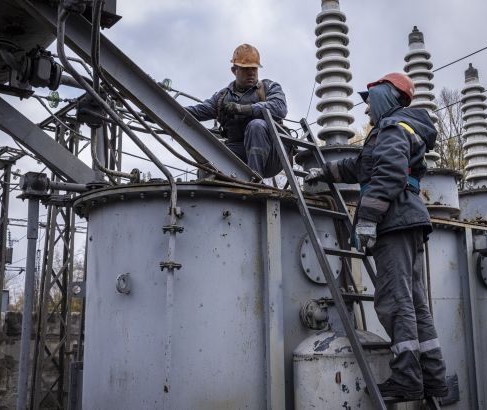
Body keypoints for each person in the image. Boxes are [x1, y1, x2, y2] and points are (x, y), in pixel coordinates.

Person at [305, 73, 448, 401]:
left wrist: (367, 220)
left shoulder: (392, 129)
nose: (366, 111)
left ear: (384, 96)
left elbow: (388, 175)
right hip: (408, 219)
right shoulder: (399, 130)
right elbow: (362, 166)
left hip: (394, 221)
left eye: (369, 102)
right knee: (414, 302)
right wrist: (325, 172)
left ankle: (407, 379)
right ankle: (433, 378)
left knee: (394, 301)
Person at [185, 44, 288, 178]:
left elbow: (280, 107)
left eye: (254, 69)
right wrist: (154, 112)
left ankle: (255, 181)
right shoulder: (222, 97)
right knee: (209, 163)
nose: (251, 73)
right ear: (234, 70)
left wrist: (245, 109)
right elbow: (198, 111)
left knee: (256, 125)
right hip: (241, 150)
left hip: (273, 153)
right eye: (246, 69)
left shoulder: (268, 87)